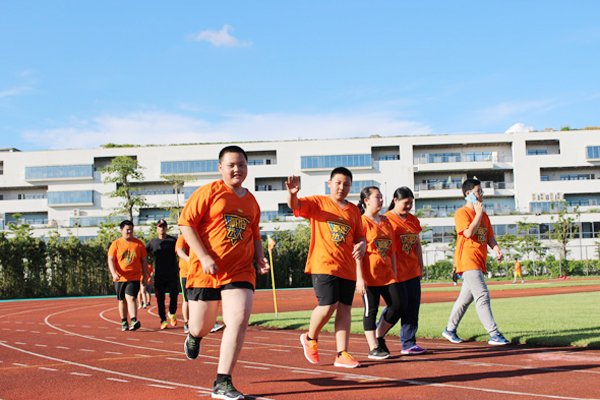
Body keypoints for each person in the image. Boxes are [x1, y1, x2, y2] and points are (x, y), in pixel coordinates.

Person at [179, 145, 270, 400]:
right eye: (231, 165)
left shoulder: (251, 201)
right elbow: (186, 224)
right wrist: (205, 256)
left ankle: (223, 381)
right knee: (202, 326)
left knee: (238, 321)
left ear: (247, 167)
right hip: (206, 270)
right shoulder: (209, 192)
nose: (236, 169)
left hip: (240, 270)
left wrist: (260, 258)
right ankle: (194, 336)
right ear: (220, 167)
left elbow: (254, 234)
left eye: (241, 164)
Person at [287, 167, 366, 369]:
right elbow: (295, 205)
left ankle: (342, 353)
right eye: (338, 182)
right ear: (329, 183)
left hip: (346, 267)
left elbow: (359, 236)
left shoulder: (355, 211)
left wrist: (362, 244)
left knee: (345, 310)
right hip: (323, 264)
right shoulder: (318, 203)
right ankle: (310, 337)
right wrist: (292, 194)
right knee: (328, 304)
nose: (342, 187)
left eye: (346, 184)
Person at [442, 178, 510, 346]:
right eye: (478, 191)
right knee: (482, 295)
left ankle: (450, 329)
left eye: (481, 192)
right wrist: (478, 213)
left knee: (465, 299)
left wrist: (496, 249)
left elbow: (489, 237)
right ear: (468, 194)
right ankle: (494, 334)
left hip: (479, 261)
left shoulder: (484, 216)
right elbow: (467, 233)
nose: (481, 195)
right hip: (467, 260)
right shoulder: (462, 213)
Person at [357, 186, 402, 360]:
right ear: (366, 201)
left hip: (387, 275)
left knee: (398, 306)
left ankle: (379, 335)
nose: (381, 200)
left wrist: (395, 272)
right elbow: (357, 253)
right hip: (369, 276)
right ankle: (373, 347)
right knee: (371, 310)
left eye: (382, 197)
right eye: (377, 197)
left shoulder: (386, 222)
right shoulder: (361, 222)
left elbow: (392, 251)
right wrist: (359, 278)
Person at [384, 187, 427, 355]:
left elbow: (417, 245)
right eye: (405, 203)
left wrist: (421, 267)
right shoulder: (386, 219)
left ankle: (408, 343)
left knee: (412, 307)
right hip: (395, 272)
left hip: (412, 271)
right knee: (397, 306)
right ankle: (378, 334)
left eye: (411, 203)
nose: (408, 206)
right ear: (395, 200)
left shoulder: (413, 220)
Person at [176, 234, 225, 334]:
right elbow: (179, 250)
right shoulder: (183, 237)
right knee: (187, 299)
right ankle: (187, 323)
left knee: (205, 298)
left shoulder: (204, 234)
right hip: (187, 273)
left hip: (200, 272)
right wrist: (189, 259)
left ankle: (211, 323)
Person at [107, 220, 148, 331]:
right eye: (127, 230)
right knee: (122, 300)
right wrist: (114, 273)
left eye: (131, 229)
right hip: (120, 277)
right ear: (121, 230)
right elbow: (111, 259)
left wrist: (145, 276)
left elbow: (144, 261)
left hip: (134, 276)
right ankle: (124, 321)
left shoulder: (139, 244)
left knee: (131, 297)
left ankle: (134, 320)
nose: (129, 232)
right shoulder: (116, 244)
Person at [146, 219, 180, 330]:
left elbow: (181, 250)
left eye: (164, 227)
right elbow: (143, 254)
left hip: (172, 273)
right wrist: (147, 269)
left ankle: (172, 312)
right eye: (160, 227)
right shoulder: (152, 242)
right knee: (160, 298)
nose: (162, 229)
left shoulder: (173, 240)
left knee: (174, 295)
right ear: (157, 228)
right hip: (159, 275)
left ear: (166, 228)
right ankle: (163, 320)